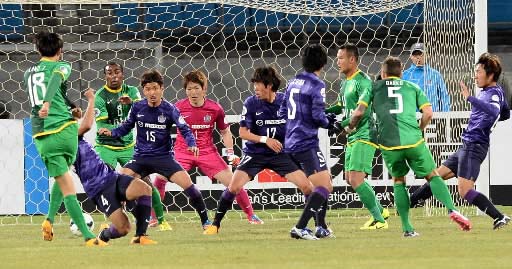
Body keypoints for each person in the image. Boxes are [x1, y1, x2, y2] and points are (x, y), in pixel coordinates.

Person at [348, 56, 472, 237]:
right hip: (413, 140)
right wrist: (419, 129)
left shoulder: (373, 88)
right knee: (432, 175)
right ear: (401, 74)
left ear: (382, 73)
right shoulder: (412, 87)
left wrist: (349, 126)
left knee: (399, 181)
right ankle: (452, 209)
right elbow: (428, 113)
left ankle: (408, 229)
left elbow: (359, 111)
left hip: (389, 144)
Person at [203, 66, 314, 235]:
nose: (255, 88)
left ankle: (312, 225)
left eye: (258, 84)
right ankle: (215, 225)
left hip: (280, 154)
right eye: (254, 84)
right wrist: (265, 140)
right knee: (233, 187)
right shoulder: (251, 103)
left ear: (269, 85)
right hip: (255, 154)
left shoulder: (285, 102)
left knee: (307, 187)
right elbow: (242, 132)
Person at [98, 69, 211, 229]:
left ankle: (206, 221)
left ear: (161, 89)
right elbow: (126, 127)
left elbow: (184, 129)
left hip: (164, 158)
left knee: (189, 186)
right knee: (119, 183)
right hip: (141, 157)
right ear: (143, 90)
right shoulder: (137, 107)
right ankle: (117, 222)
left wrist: (191, 143)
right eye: (148, 89)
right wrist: (112, 132)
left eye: (155, 88)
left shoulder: (170, 109)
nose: (152, 93)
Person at [409, 53, 511, 230]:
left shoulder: (493, 93)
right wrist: (489, 122)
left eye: (478, 72)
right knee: (435, 177)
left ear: (490, 75)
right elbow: (505, 113)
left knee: (464, 191)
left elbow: (494, 112)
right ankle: (407, 204)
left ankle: (499, 216)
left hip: (474, 146)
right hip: (468, 145)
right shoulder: (494, 92)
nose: (475, 75)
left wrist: (470, 99)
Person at [23, 31, 104, 246]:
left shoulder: (28, 73)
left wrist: (70, 106)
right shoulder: (63, 66)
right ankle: (89, 237)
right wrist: (48, 104)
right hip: (63, 130)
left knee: (63, 177)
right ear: (60, 51)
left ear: (37, 49)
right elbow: (56, 80)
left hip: (41, 134)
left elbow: (53, 89)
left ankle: (49, 220)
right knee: (69, 188)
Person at [153, 70, 263, 225]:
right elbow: (162, 127)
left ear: (204, 89)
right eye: (189, 89)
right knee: (159, 178)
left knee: (234, 183)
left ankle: (251, 215)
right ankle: (153, 217)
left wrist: (231, 153)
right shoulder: (177, 107)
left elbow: (225, 132)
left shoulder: (215, 108)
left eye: (196, 88)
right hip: (182, 152)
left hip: (207, 152)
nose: (193, 92)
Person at [72, 88, 156, 245]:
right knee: (124, 228)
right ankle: (104, 235)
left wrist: (74, 115)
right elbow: (87, 125)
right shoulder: (67, 139)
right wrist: (91, 99)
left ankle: (141, 236)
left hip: (111, 176)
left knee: (145, 189)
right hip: (99, 189)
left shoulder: (73, 134)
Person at [94, 62, 171, 231]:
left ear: (123, 74)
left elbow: (145, 109)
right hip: (106, 147)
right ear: (105, 76)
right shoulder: (100, 96)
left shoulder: (132, 91)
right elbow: (102, 128)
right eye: (109, 73)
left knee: (146, 182)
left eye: (117, 72)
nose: (113, 76)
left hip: (129, 146)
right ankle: (112, 220)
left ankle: (162, 220)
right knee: (106, 184)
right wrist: (113, 130)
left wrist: (131, 104)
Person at [325, 43, 389, 230]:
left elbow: (360, 112)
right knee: (348, 177)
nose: (337, 62)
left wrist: (341, 125)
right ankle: (381, 211)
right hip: (353, 136)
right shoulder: (345, 83)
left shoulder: (364, 81)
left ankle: (379, 220)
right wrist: (321, 112)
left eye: (341, 58)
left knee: (356, 179)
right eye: (337, 58)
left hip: (365, 133)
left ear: (352, 59)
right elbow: (341, 106)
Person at [279, 44, 337, 240]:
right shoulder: (317, 85)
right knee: (325, 186)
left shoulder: (292, 82)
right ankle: (300, 227)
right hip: (306, 142)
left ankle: (321, 227)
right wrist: (330, 123)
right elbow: (318, 116)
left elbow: (282, 112)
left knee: (323, 181)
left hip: (291, 141)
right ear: (323, 63)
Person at [403, 43, 451, 112]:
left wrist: (446, 116)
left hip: (433, 117)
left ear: (427, 55)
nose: (418, 57)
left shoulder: (435, 74)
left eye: (421, 54)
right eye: (415, 54)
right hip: (412, 118)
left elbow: (443, 97)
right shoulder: (405, 75)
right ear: (411, 56)